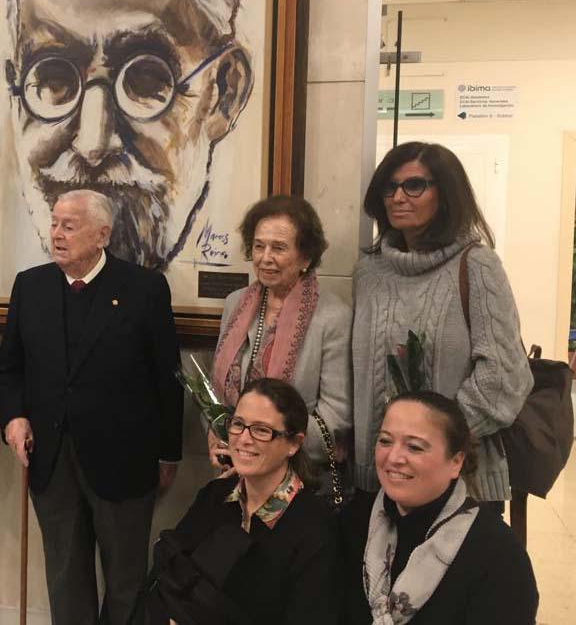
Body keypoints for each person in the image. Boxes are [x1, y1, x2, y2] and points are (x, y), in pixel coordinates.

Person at [0, 189, 183, 625]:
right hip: (52, 460)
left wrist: (169, 452)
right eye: (54, 223)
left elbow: (168, 379)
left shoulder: (144, 289)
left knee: (126, 579)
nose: (56, 233)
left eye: (69, 226)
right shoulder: (31, 286)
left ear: (102, 235)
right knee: (65, 576)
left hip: (125, 459)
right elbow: (7, 372)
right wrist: (14, 418)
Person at [1, 0, 253, 269]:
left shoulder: (152, 302)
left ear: (224, 95)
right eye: (53, 79)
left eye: (146, 80)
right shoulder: (31, 293)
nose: (93, 145)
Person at [352, 142, 533, 505]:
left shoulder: (478, 266)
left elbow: (504, 381)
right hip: (377, 483)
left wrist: (427, 443)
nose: (398, 197)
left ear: (446, 193)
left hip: (458, 483)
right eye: (390, 187)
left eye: (414, 185)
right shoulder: (369, 273)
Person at [139, 378, 340, 624]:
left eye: (261, 430)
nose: (244, 439)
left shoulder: (313, 527)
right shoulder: (215, 495)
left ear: (293, 444)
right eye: (238, 424)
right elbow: (166, 569)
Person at [341, 391, 538, 624]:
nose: (393, 457)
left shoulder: (497, 554)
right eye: (385, 441)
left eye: (414, 447)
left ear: (456, 462)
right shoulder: (355, 521)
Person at [211, 196, 351, 492]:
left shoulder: (332, 316)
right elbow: (217, 394)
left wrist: (269, 451)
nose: (265, 257)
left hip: (299, 481)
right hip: (235, 473)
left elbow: (336, 414)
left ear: (305, 258)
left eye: (278, 247)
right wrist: (220, 436)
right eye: (258, 246)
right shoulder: (235, 304)